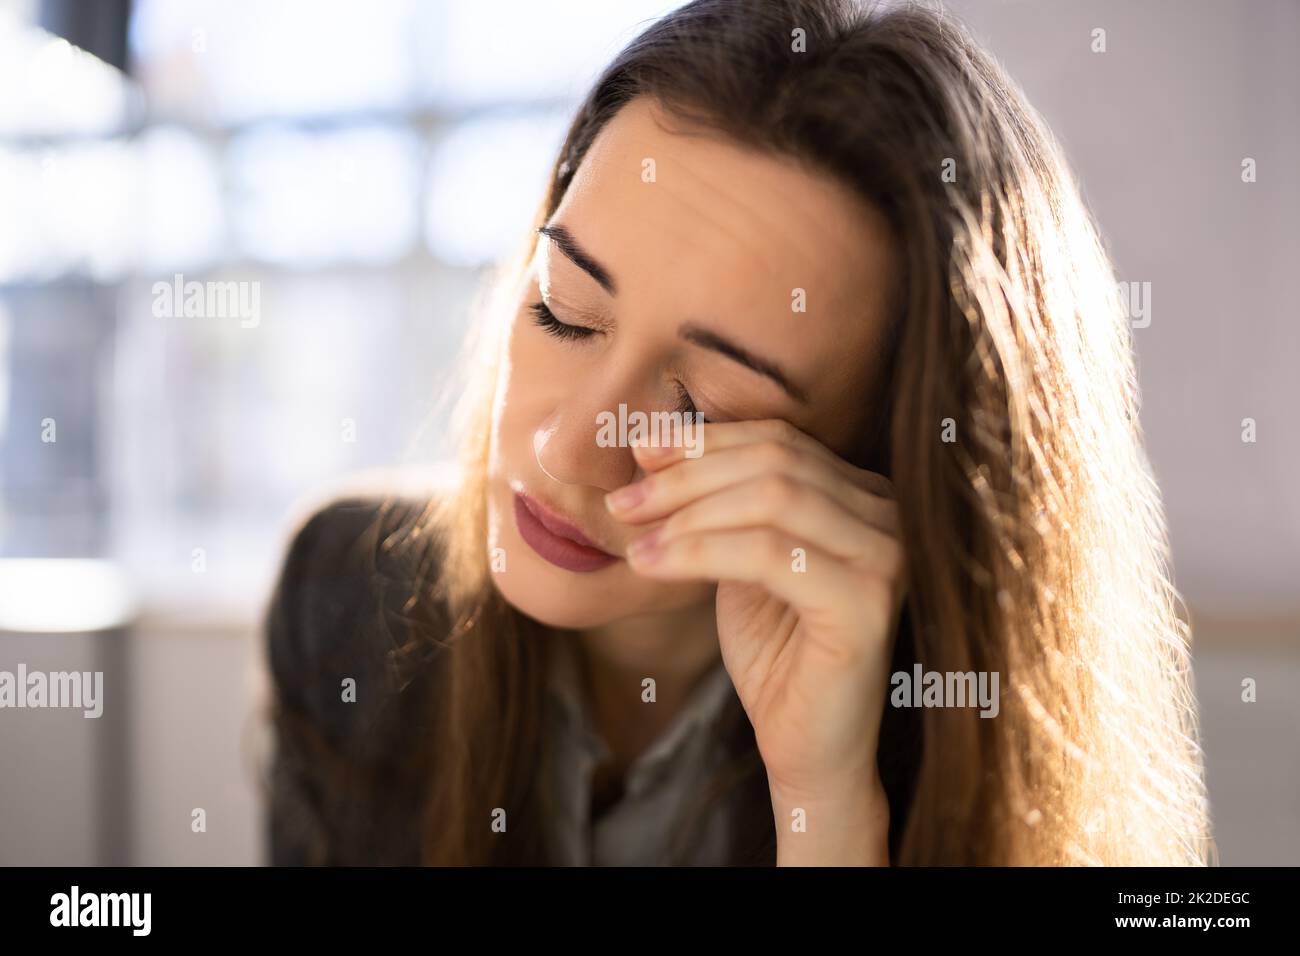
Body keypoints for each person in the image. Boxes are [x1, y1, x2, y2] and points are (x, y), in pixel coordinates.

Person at [263, 0, 1212, 866]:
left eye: (704, 405)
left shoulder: (950, 729)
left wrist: (827, 807)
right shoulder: (346, 594)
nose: (567, 452)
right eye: (564, 311)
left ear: (882, 461)